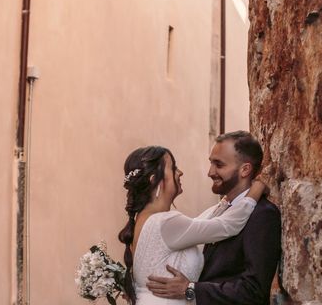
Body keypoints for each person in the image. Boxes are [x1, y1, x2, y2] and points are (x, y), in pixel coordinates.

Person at [118, 145, 268, 305]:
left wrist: (227, 201)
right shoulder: (166, 222)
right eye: (173, 167)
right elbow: (228, 225)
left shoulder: (144, 219)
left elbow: (202, 223)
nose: (180, 172)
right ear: (155, 180)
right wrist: (255, 190)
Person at [145, 131, 282, 304]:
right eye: (211, 163)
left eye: (219, 164)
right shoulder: (216, 211)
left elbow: (253, 290)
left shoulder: (262, 214)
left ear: (245, 169)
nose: (210, 172)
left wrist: (190, 289)